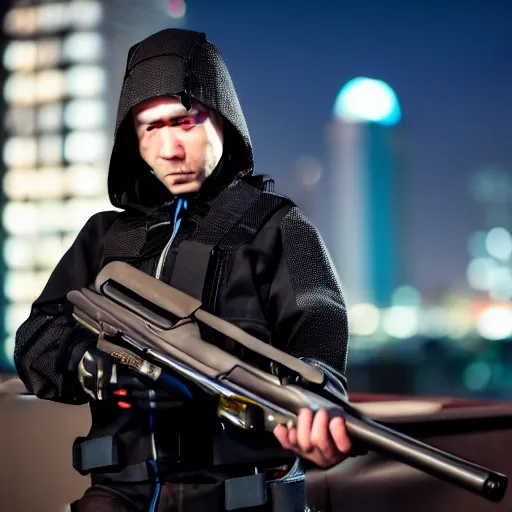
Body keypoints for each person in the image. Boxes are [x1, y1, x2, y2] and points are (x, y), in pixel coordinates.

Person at [14, 29, 352, 511]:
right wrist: (91, 365)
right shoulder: (108, 237)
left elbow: (318, 332)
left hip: (241, 498)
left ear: (222, 120)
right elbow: (36, 337)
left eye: (185, 121)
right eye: (150, 127)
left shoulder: (276, 227)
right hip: (119, 496)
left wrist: (315, 404)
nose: (169, 148)